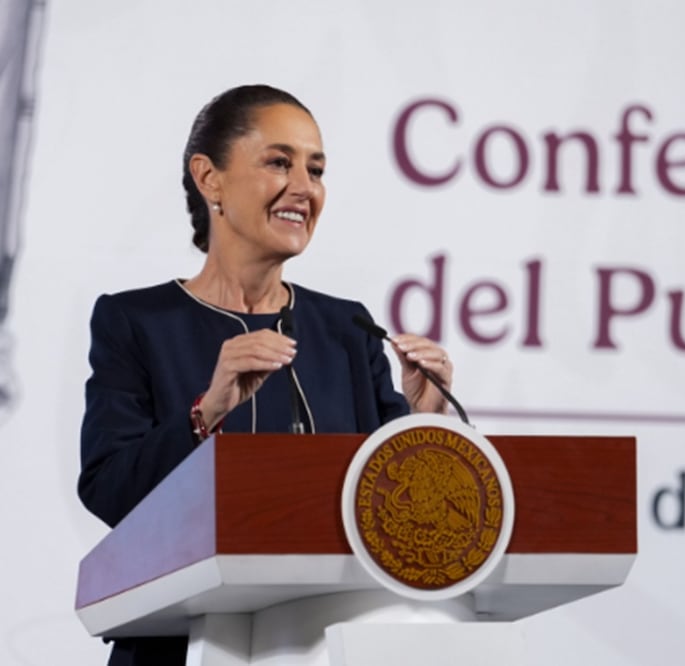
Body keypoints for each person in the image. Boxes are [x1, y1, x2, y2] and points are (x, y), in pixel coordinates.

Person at [77, 84, 454, 666]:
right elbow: (111, 492)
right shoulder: (137, 322)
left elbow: (393, 514)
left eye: (317, 169)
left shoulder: (347, 328)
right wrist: (206, 412)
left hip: (330, 644)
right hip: (177, 647)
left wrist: (421, 423)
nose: (305, 188)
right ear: (210, 179)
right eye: (280, 162)